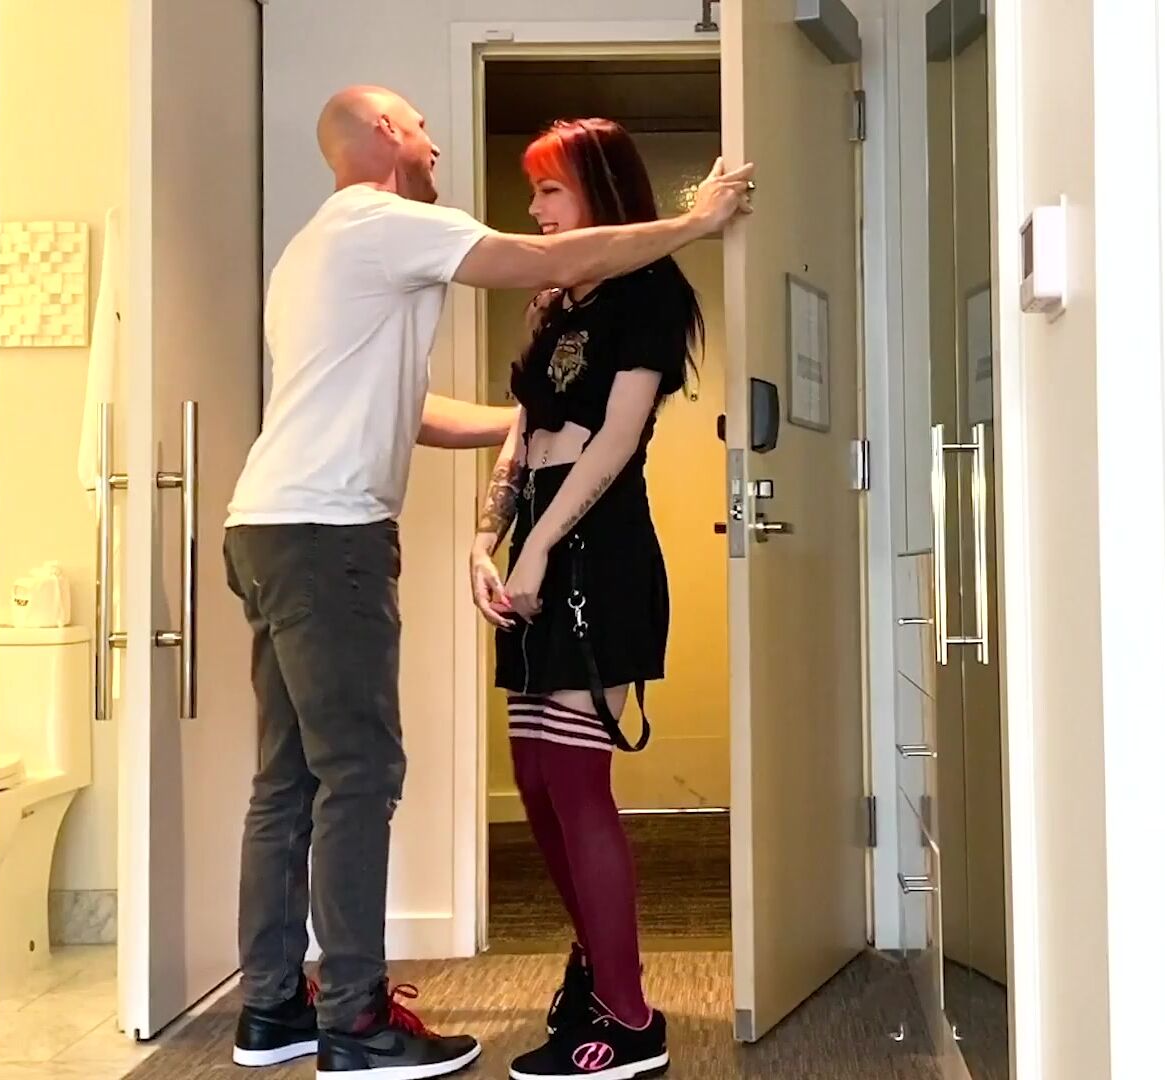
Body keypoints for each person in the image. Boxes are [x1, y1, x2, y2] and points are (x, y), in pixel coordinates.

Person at [223, 86, 753, 1080]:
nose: (434, 144)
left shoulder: (314, 249)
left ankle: (277, 1005)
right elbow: (541, 271)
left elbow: (440, 412)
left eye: (550, 190)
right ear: (385, 134)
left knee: (296, 780)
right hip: (327, 536)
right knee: (366, 776)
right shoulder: (389, 223)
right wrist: (699, 219)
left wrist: (509, 528)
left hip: (271, 525)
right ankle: (353, 1020)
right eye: (420, 126)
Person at [467, 117, 706, 1080]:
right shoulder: (557, 299)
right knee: (534, 779)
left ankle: (628, 1016)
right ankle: (596, 968)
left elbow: (615, 437)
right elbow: (523, 428)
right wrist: (486, 537)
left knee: (575, 780)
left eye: (549, 190)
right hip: (537, 533)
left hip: (597, 547)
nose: (534, 210)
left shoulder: (651, 291)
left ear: (601, 193)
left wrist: (539, 547)